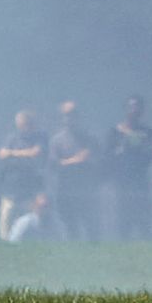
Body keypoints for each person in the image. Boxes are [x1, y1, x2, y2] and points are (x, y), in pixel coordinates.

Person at [0, 108, 48, 242]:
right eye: (19, 125)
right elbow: (0, 154)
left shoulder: (40, 137)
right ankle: (5, 246)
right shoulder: (12, 138)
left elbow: (35, 153)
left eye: (24, 124)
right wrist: (21, 153)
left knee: (31, 219)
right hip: (11, 188)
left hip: (30, 188)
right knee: (6, 219)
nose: (22, 127)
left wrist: (12, 153)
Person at [104, 96, 152, 240]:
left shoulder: (147, 132)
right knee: (123, 218)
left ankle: (147, 250)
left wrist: (140, 147)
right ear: (125, 109)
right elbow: (107, 157)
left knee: (144, 218)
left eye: (137, 107)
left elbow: (150, 157)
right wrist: (121, 149)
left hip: (140, 181)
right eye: (131, 107)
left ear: (142, 111)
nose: (134, 110)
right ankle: (123, 249)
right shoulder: (114, 132)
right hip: (122, 182)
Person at [48, 102, 96, 240]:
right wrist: (75, 160)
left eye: (73, 114)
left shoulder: (89, 139)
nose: (69, 118)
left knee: (89, 225)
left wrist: (71, 161)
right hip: (64, 190)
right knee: (69, 225)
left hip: (86, 190)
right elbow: (54, 165)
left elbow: (96, 160)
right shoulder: (56, 141)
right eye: (66, 115)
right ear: (62, 118)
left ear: (78, 116)